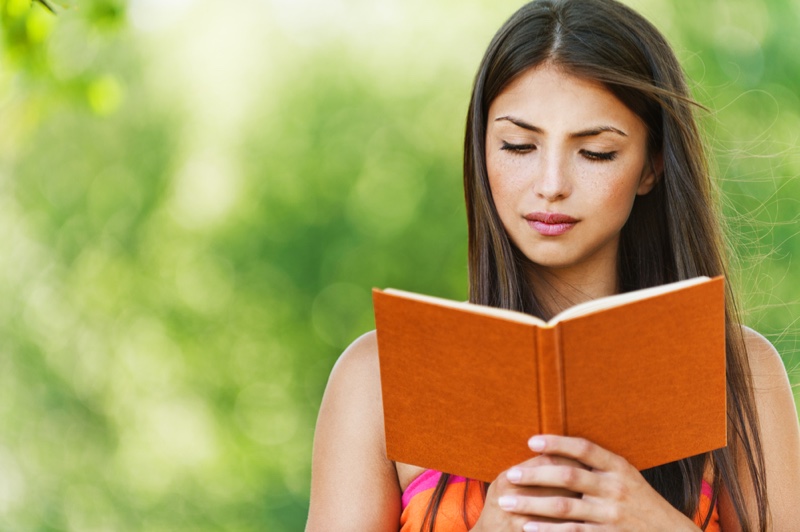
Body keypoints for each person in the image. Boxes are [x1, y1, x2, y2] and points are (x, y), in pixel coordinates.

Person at [305, 0, 800, 530]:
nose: (551, 184)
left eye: (596, 153)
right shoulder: (378, 377)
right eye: (518, 146)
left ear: (652, 166)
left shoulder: (739, 371)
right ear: (481, 149)